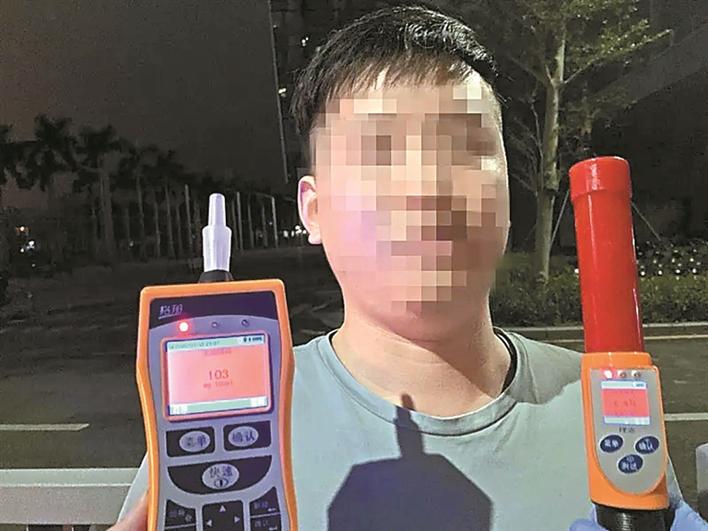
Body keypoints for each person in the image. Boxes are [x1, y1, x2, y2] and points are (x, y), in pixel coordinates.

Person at [112, 4, 707, 530]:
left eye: (465, 147)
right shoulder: (221, 436)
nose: (426, 189)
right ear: (313, 210)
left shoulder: (606, 407)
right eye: (377, 152)